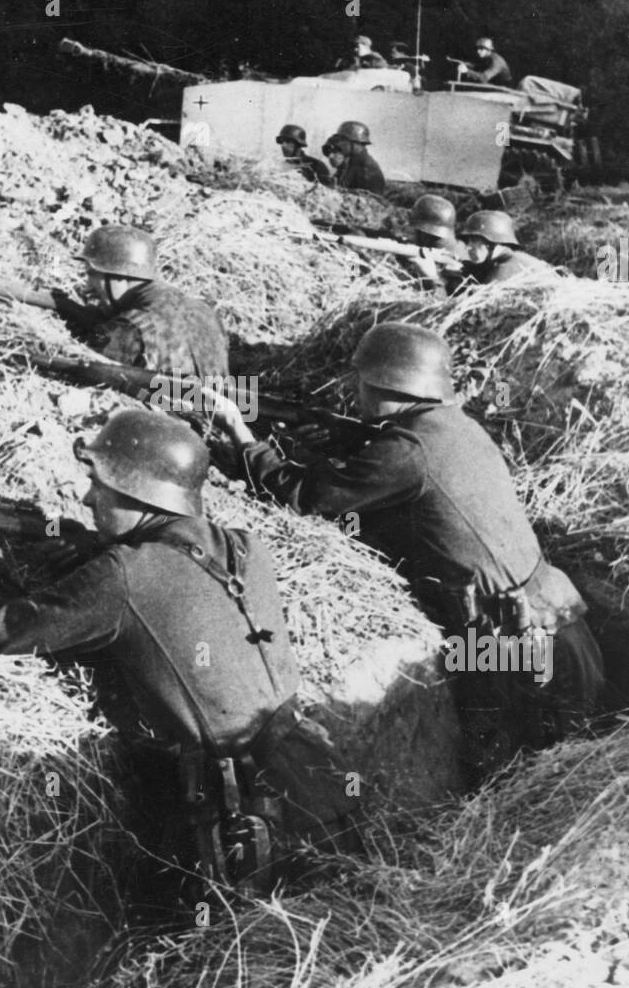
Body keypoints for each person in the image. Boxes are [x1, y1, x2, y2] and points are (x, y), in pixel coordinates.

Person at [0, 409, 359, 892]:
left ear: (139, 494)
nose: (87, 498)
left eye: (101, 488)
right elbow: (183, 586)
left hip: (246, 821)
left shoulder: (124, 575)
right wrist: (88, 549)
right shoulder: (246, 549)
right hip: (320, 783)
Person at [205, 323, 605, 787]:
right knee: (560, 773)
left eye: (360, 383)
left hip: (508, 648)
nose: (353, 393)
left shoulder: (405, 450)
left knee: (506, 778)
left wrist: (241, 435)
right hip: (556, 623)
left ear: (387, 385)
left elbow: (300, 496)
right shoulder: (458, 426)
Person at [58, 225, 229, 377]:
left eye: (92, 275)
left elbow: (83, 376)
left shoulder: (127, 329)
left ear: (118, 275)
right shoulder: (206, 313)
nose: (88, 287)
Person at [457, 210, 556, 284]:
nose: (468, 247)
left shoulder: (505, 269)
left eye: (474, 241)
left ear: (492, 243)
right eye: (468, 241)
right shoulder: (516, 258)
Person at [403, 194, 468, 295]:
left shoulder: (454, 264)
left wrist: (432, 278)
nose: (412, 233)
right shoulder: (458, 248)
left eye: (415, 229)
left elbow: (447, 304)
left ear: (424, 231)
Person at [326, 122, 385, 194]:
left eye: (343, 141)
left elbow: (368, 201)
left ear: (356, 143)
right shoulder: (351, 162)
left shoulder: (367, 169)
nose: (340, 144)